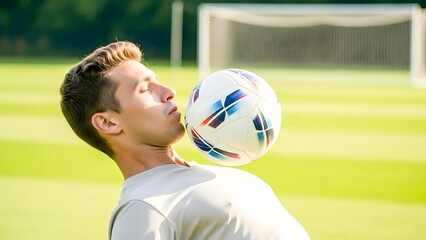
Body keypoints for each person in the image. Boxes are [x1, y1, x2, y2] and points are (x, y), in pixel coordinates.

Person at [60, 41, 310, 240]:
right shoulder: (143, 208)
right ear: (108, 123)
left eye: (157, 81)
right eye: (145, 89)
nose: (169, 92)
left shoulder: (208, 172)